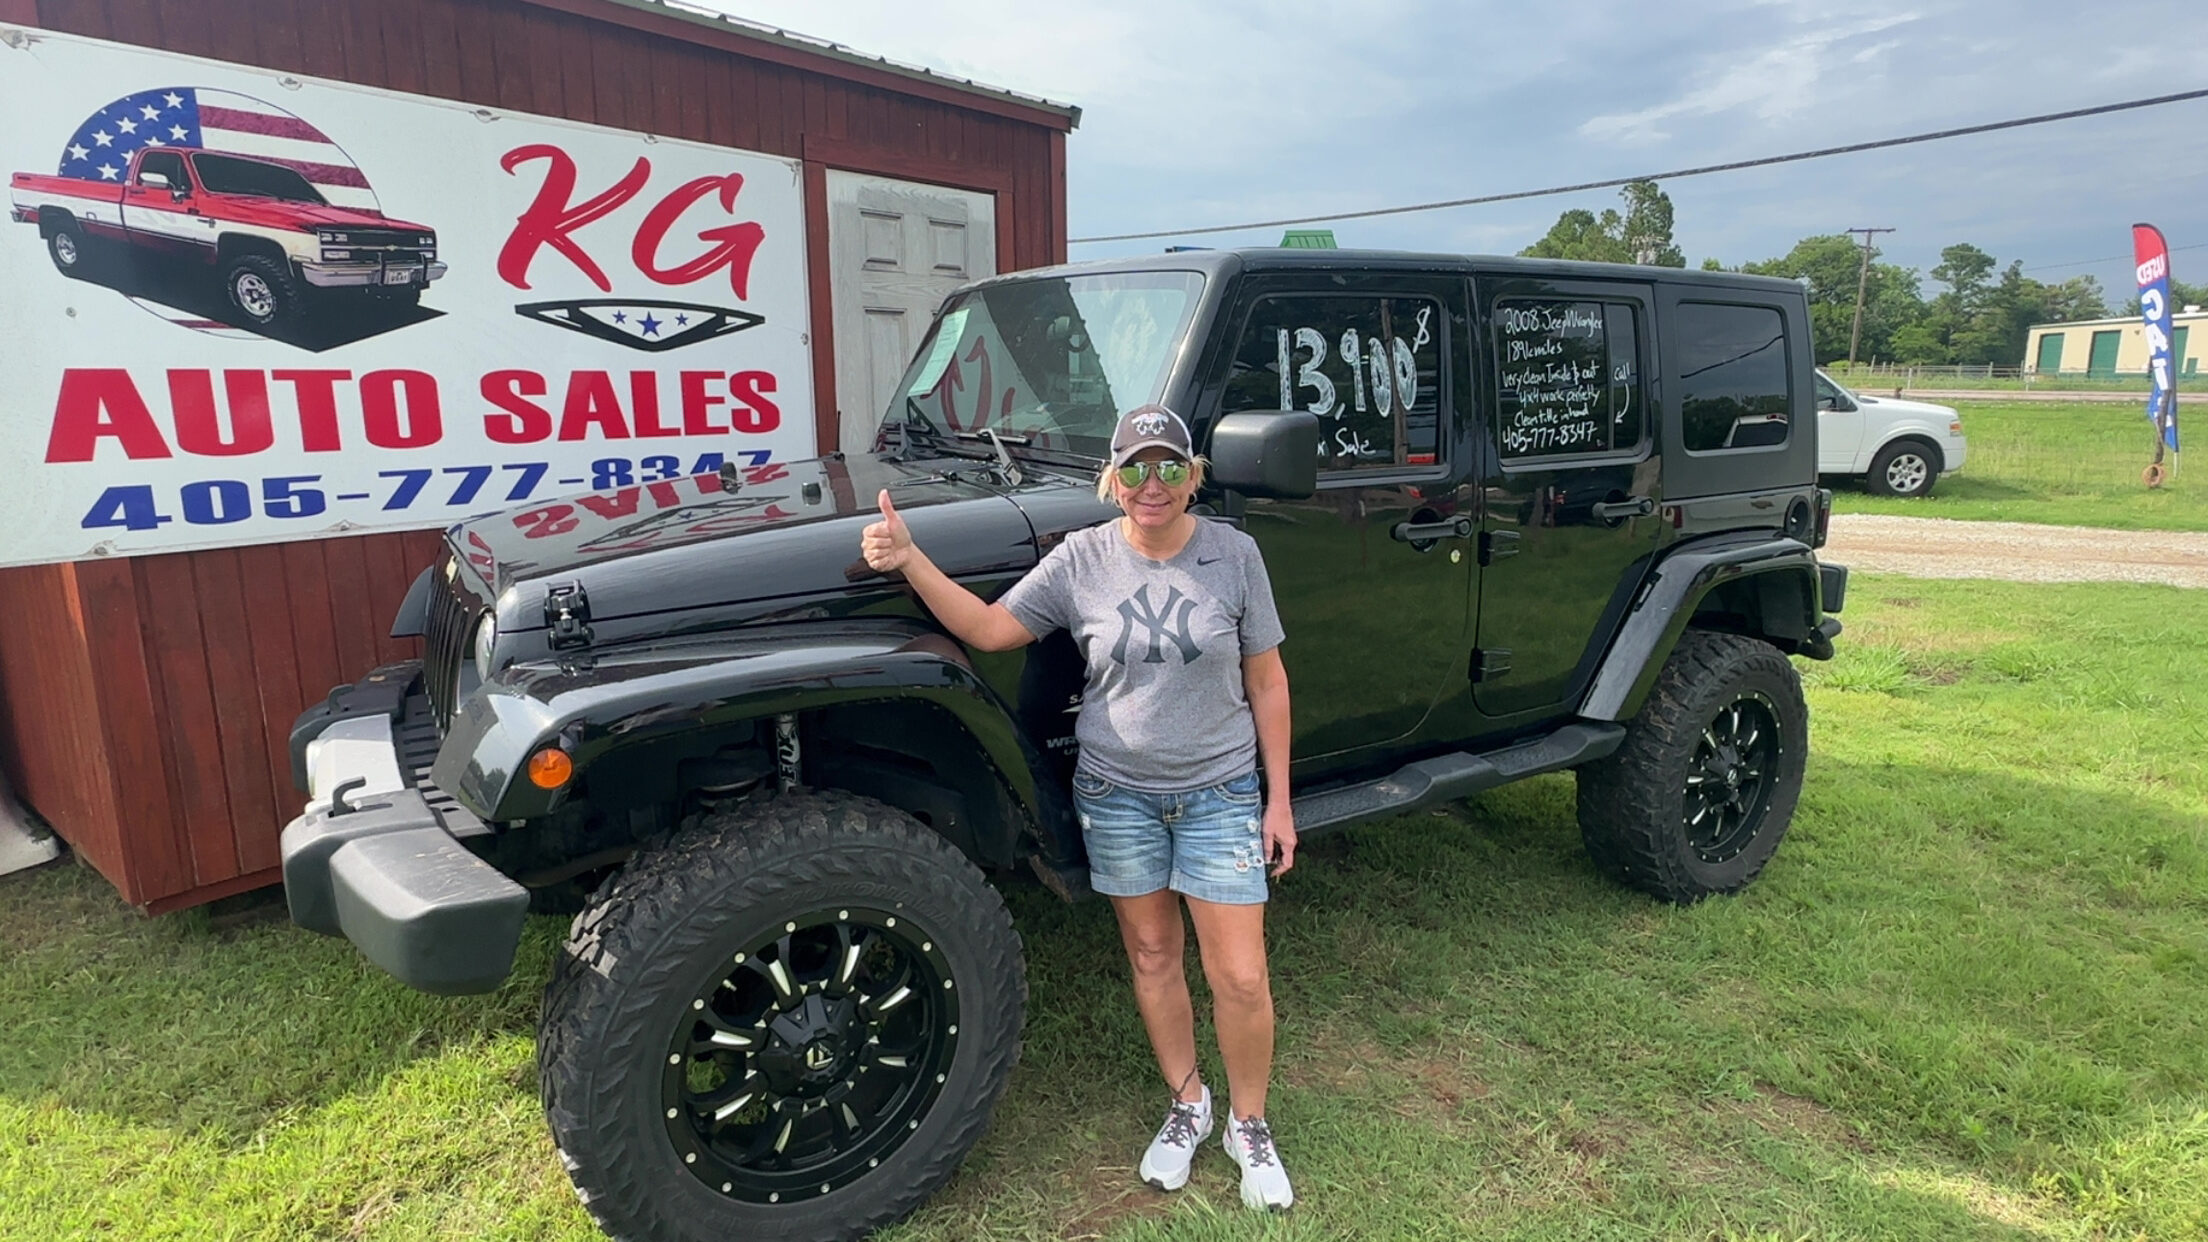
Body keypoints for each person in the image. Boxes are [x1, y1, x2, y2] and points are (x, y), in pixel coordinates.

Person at [859, 403, 1298, 1210]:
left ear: (1195, 475)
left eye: (1170, 467)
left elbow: (1267, 682)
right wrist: (913, 559)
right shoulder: (1080, 560)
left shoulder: (1235, 555)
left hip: (1220, 792)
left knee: (1238, 974)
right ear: (1113, 478)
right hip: (1117, 795)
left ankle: (1249, 1123)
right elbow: (992, 630)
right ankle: (1188, 1102)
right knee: (1152, 956)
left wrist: (1279, 802)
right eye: (1135, 468)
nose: (1152, 484)